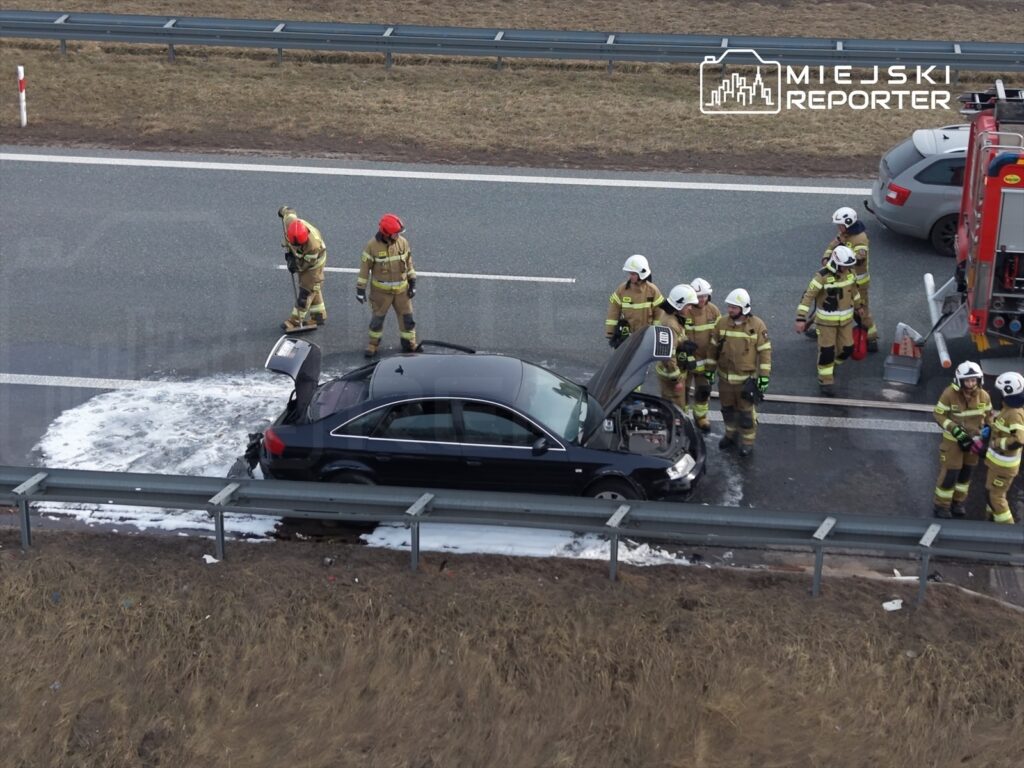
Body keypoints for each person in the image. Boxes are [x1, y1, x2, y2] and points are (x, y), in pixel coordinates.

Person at [708, 288, 771, 457]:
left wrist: (763, 378)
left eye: (734, 308)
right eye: (729, 307)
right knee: (727, 409)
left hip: (745, 381)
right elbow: (713, 349)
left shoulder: (757, 326)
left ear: (744, 309)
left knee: (746, 414)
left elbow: (765, 353)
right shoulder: (721, 323)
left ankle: (748, 442)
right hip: (725, 380)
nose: (730, 310)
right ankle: (730, 435)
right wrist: (709, 371)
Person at [794, 245, 863, 396]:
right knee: (827, 352)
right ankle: (825, 380)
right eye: (844, 266)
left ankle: (831, 366)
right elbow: (808, 296)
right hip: (826, 324)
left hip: (845, 322)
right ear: (836, 263)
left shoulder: (850, 273)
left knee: (847, 349)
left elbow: (855, 292)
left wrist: (859, 307)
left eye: (848, 266)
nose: (846, 269)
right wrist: (800, 318)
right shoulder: (822, 276)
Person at [932, 361, 992, 518]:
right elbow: (938, 414)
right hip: (953, 441)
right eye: (967, 380)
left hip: (974, 441)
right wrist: (954, 429)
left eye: (973, 380)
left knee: (966, 474)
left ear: (979, 380)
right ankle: (941, 506)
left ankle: (958, 502)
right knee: (951, 473)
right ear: (960, 380)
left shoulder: (984, 396)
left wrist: (988, 430)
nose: (970, 383)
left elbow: (988, 417)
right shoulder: (949, 394)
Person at [357, 213, 417, 358]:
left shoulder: (402, 243)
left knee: (407, 319)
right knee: (377, 320)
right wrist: (360, 289)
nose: (398, 236)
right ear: (386, 234)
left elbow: (409, 263)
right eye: (396, 233)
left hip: (402, 291)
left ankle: (409, 343)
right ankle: (373, 344)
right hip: (381, 293)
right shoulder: (372, 246)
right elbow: (365, 269)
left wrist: (412, 282)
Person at [824, 206, 877, 352]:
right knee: (830, 303)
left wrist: (839, 260)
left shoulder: (860, 239)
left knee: (861, 311)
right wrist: (826, 257)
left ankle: (871, 337)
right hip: (842, 278)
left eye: (840, 225)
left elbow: (859, 258)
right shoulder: (844, 233)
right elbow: (833, 245)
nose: (838, 228)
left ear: (848, 223)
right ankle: (823, 330)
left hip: (858, 283)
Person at [278, 206, 327, 332]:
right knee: (314, 288)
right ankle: (319, 315)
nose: (296, 246)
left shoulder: (313, 247)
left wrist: (294, 265)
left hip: (313, 265)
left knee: (306, 293)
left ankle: (295, 321)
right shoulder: (292, 224)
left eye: (299, 245)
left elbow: (305, 265)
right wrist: (283, 211)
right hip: (304, 260)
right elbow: (289, 212)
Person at [983, 371, 1024, 524]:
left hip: (1004, 466)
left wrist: (997, 443)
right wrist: (991, 423)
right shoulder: (1007, 409)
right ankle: (991, 521)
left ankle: (1007, 531)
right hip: (996, 464)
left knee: (996, 497)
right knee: (990, 493)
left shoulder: (1014, 414)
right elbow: (1003, 428)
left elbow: (1018, 439)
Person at [654, 284, 699, 411]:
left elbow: (672, 342)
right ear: (679, 305)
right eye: (688, 305)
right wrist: (677, 380)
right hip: (670, 376)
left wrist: (683, 344)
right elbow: (668, 355)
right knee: (675, 409)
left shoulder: (671, 316)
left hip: (669, 373)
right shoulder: (671, 324)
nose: (690, 308)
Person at [686, 278, 722, 433]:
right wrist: (687, 358)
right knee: (682, 392)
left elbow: (720, 334)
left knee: (704, 390)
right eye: (699, 296)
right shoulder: (685, 311)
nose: (702, 300)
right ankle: (682, 418)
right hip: (687, 362)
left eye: (705, 296)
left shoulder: (713, 311)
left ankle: (701, 417)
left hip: (705, 361)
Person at [605, 255, 663, 348]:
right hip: (627, 335)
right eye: (630, 274)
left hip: (646, 335)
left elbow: (659, 313)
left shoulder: (652, 290)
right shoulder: (622, 289)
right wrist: (611, 332)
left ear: (642, 273)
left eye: (633, 274)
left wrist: (656, 334)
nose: (630, 277)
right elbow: (613, 311)